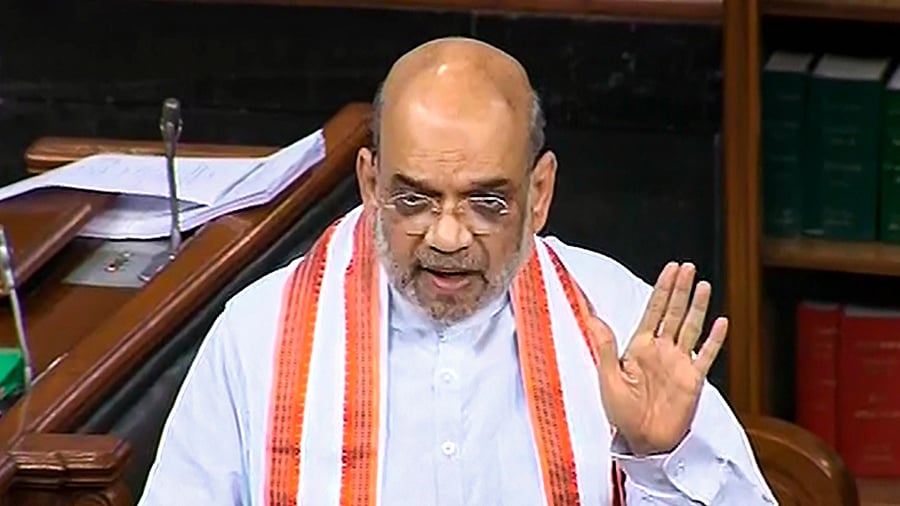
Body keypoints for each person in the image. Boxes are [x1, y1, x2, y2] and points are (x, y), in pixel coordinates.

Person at [137, 36, 776, 505]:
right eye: (414, 198)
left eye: (486, 202)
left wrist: (660, 458)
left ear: (541, 194)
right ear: (368, 182)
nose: (446, 238)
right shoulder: (258, 336)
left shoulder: (622, 324)